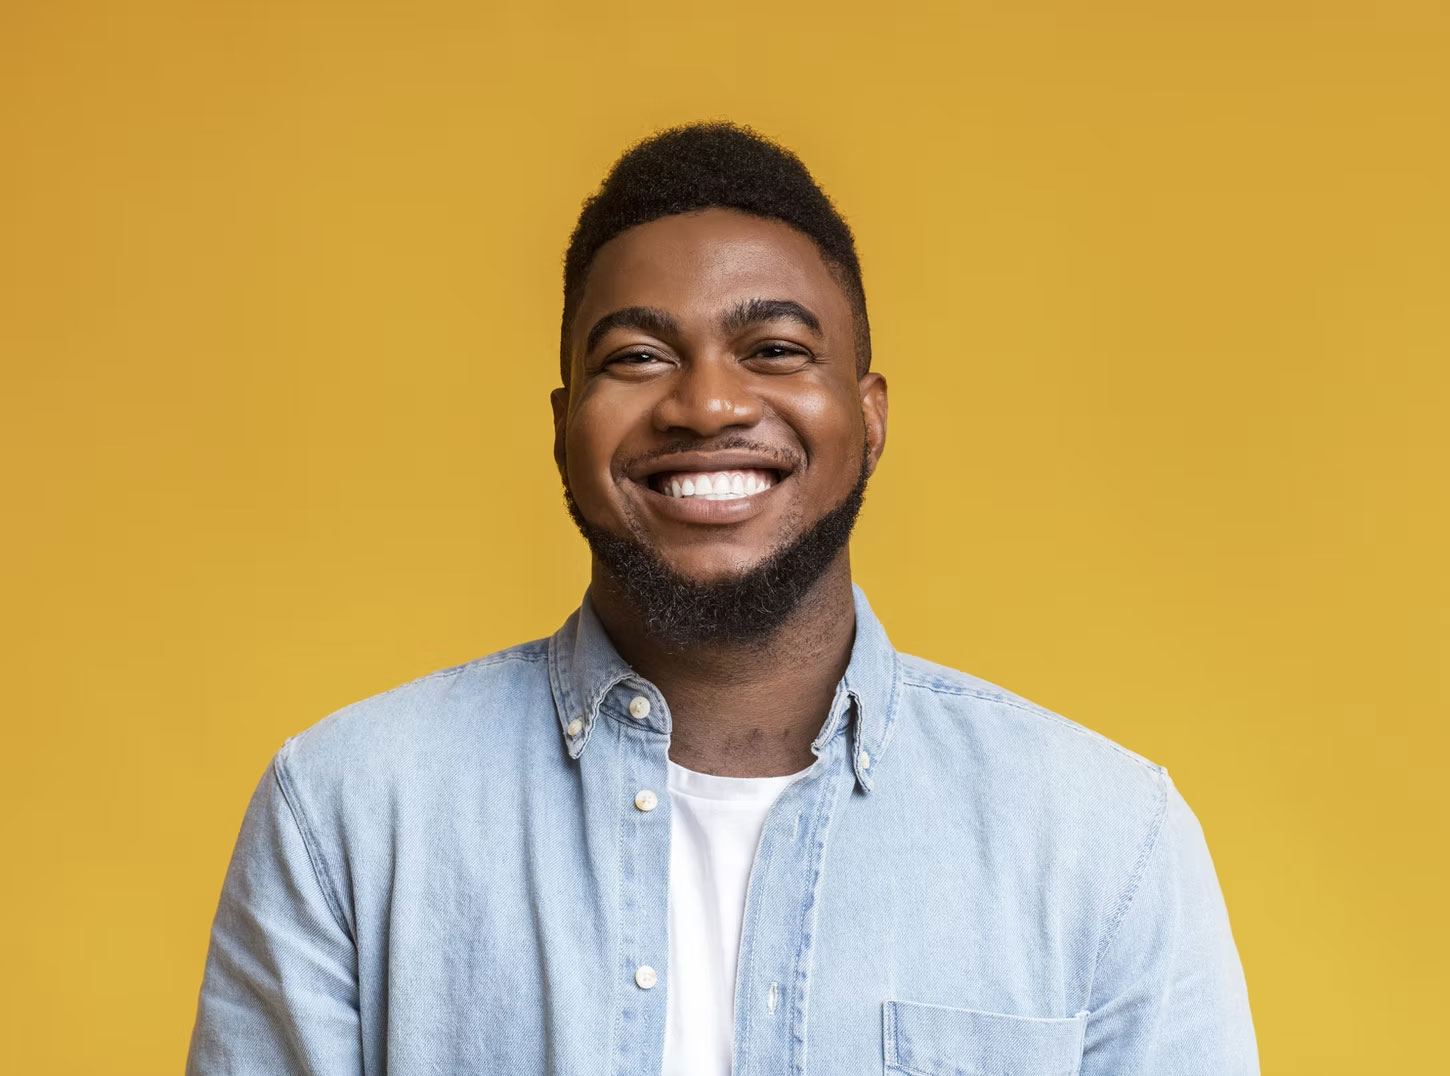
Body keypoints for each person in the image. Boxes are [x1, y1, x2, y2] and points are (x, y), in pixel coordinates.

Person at [187, 121, 1258, 1075]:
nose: (705, 401)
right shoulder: (347, 814)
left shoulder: (1106, 842)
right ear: (566, 423)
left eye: (776, 349)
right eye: (640, 355)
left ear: (868, 413)